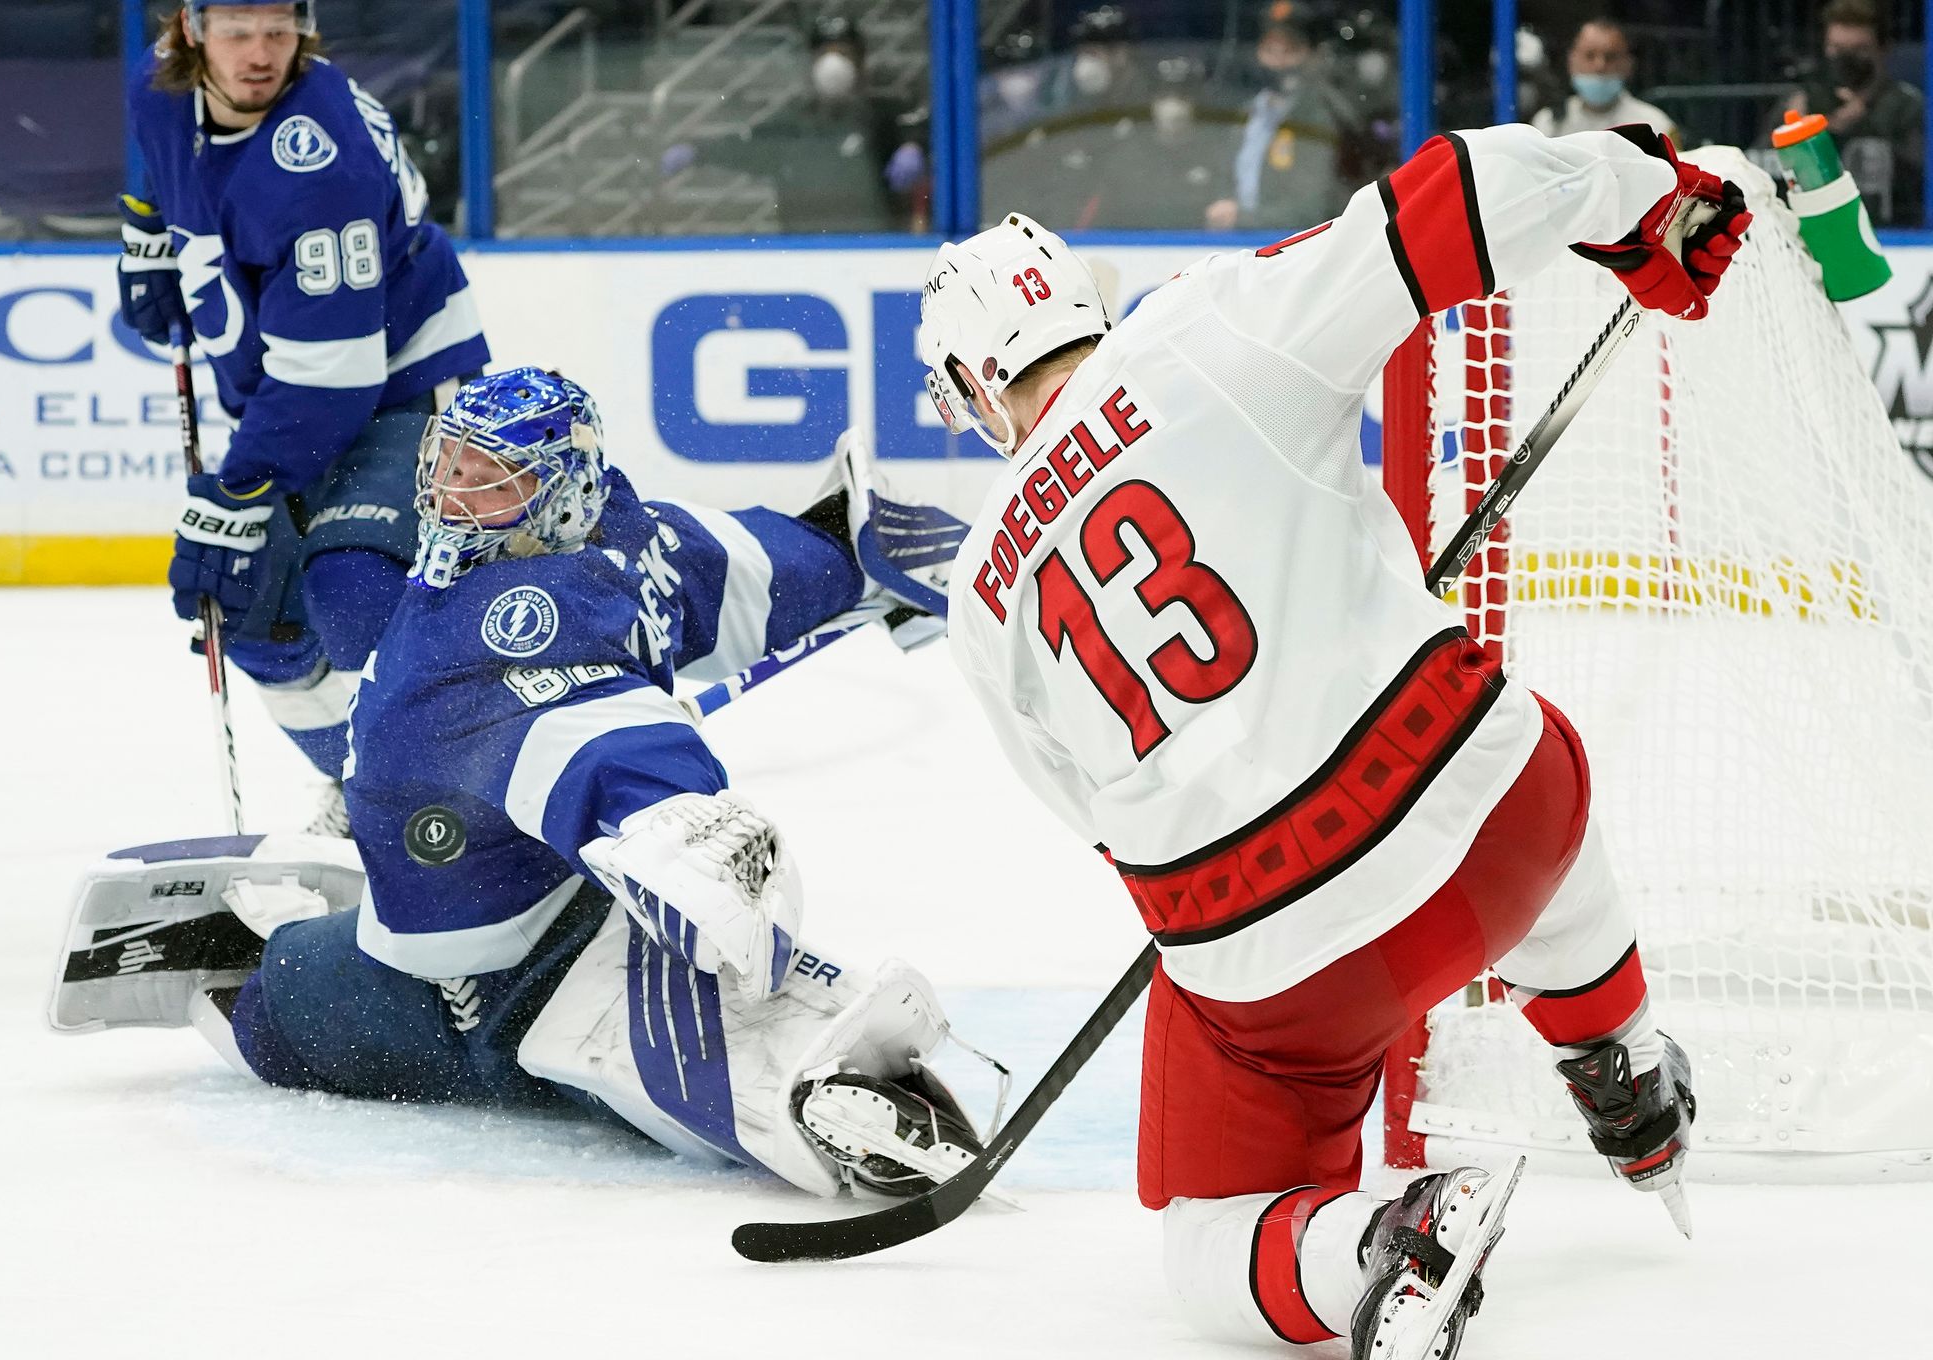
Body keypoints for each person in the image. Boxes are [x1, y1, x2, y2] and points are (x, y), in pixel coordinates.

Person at [915, 122, 1751, 1355]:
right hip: (1494, 835)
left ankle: (1377, 1248)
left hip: (1278, 963)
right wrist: (1641, 200)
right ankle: (1618, 1059)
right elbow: (1457, 191)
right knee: (1517, 760)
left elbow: (1100, 823)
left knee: (1210, 1231)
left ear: (980, 387)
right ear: (1081, 302)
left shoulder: (979, 594)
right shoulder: (1204, 324)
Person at [48, 367, 994, 1200]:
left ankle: (805, 1091)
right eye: (449, 470)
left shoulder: (497, 626)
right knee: (304, 987)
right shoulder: (627, 533)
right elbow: (737, 567)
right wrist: (843, 551)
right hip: (533, 885)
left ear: (556, 498)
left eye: (488, 483)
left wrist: (678, 824)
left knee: (280, 1010)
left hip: (483, 979)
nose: (453, 500)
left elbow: (590, 731)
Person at [118, 1, 490, 832]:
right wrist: (149, 233)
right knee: (251, 608)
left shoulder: (321, 168)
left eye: (279, 32)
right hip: (295, 388)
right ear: (191, 30)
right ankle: (370, 793)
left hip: (401, 378)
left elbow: (333, 376)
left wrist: (241, 489)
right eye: (238, 32)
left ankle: (442, 798)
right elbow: (161, 161)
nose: (259, 54)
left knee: (353, 587)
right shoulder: (158, 84)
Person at [661, 14, 927, 234]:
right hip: (802, 250)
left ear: (860, 62)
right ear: (812, 62)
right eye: (826, 55)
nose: (834, 66)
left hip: (871, 248)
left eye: (844, 54)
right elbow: (746, 146)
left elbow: (918, 130)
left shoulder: (881, 117)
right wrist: (698, 151)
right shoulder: (792, 122)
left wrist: (912, 146)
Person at [1206, 8, 1358, 231]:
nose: (1278, 61)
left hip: (1293, 246)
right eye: (1270, 50)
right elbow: (1221, 180)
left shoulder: (1323, 115)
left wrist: (1244, 218)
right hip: (1239, 245)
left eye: (1289, 50)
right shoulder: (1246, 114)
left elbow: (1312, 208)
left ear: (1311, 55)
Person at [1787, 0, 1925, 226]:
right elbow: (1758, 167)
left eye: (1860, 50)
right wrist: (1797, 138)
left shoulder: (1907, 106)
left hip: (1891, 230)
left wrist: (1863, 124)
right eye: (1837, 49)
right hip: (1815, 229)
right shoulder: (1803, 102)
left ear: (1884, 48)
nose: (1846, 60)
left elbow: (1920, 180)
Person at [1532, 19, 1677, 141]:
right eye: (1589, 56)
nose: (1600, 66)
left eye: (1610, 57)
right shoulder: (1548, 123)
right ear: (1571, 61)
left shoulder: (1655, 125)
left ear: (1628, 64)